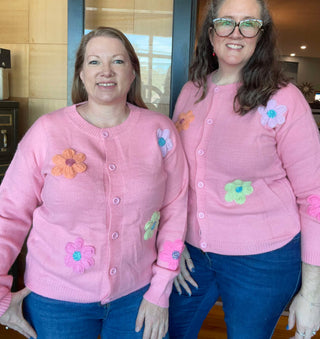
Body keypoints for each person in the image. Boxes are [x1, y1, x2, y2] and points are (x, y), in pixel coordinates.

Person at [0, 27, 188, 339]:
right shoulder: (47, 132)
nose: (106, 72)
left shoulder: (160, 132)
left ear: (132, 73)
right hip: (56, 300)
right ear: (81, 75)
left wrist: (160, 290)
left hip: (138, 293)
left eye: (117, 61)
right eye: (94, 62)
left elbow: (175, 208)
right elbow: (8, 214)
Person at [169, 0, 320, 339]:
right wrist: (171, 245)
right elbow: (174, 177)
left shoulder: (285, 100)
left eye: (248, 23)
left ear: (261, 35)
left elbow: (313, 197)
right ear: (211, 33)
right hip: (191, 253)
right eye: (226, 22)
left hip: (263, 259)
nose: (236, 33)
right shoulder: (192, 90)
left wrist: (312, 293)